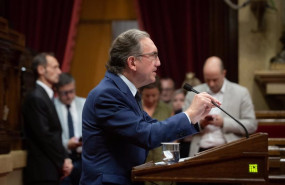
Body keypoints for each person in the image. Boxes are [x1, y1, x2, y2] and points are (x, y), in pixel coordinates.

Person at [80, 29, 220, 185]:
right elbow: (147, 135)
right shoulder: (107, 94)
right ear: (132, 62)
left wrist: (196, 118)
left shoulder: (126, 91)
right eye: (153, 55)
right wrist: (190, 113)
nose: (158, 62)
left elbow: (151, 126)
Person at [183, 56, 257, 157]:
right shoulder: (193, 93)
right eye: (208, 80)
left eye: (215, 79)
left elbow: (251, 125)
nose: (211, 84)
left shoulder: (241, 93)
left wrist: (224, 123)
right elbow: (183, 128)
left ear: (224, 73)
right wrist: (201, 124)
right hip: (199, 151)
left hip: (229, 150)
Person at [22, 53, 73, 185]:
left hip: (50, 170)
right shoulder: (36, 97)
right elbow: (45, 136)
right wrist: (63, 161)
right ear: (41, 70)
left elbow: (54, 135)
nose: (60, 72)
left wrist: (66, 159)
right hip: (41, 172)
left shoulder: (45, 95)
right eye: (55, 67)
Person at [140, 77, 173, 185]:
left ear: (160, 93)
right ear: (141, 93)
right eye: (147, 96)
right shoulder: (135, 108)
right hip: (140, 162)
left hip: (162, 160)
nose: (150, 99)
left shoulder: (167, 109)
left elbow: (173, 135)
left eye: (154, 95)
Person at [54, 73, 86, 185]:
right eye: (65, 93)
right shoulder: (52, 107)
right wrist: (67, 144)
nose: (69, 96)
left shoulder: (84, 104)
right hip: (63, 160)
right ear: (57, 91)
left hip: (83, 159)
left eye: (72, 91)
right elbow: (50, 137)